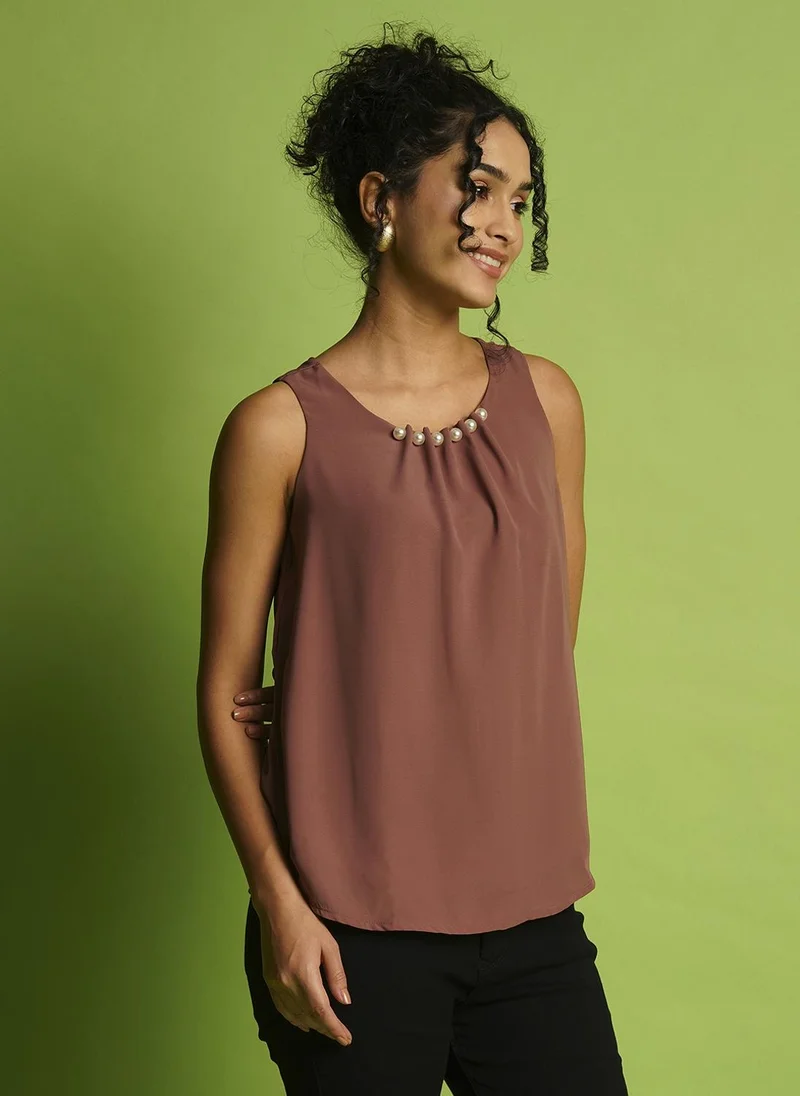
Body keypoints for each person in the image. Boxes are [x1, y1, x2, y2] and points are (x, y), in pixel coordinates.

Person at [196, 22, 629, 1095]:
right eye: (476, 188)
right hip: (347, 930)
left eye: (520, 199)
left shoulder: (548, 405)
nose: (502, 224)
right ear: (380, 200)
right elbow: (221, 694)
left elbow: (536, 647)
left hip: (531, 919)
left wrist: (376, 692)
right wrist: (279, 903)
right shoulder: (277, 429)